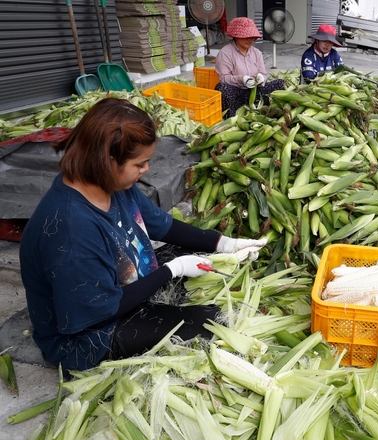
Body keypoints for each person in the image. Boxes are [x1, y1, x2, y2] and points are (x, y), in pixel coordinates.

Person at [19, 98, 267, 374]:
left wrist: (223, 244)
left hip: (116, 287)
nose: (146, 170)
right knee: (210, 323)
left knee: (197, 257)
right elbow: (100, 309)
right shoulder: (71, 228)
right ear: (108, 160)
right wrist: (171, 271)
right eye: (140, 164)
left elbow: (163, 226)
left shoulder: (112, 184)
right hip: (88, 334)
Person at [214, 17, 285, 116]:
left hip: (255, 92)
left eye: (252, 37)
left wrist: (261, 79)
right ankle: (232, 116)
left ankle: (268, 112)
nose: (250, 40)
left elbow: (264, 74)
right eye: (246, 37)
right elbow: (224, 78)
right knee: (222, 88)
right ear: (235, 36)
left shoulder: (257, 53)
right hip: (237, 93)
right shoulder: (225, 53)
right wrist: (242, 79)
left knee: (280, 83)